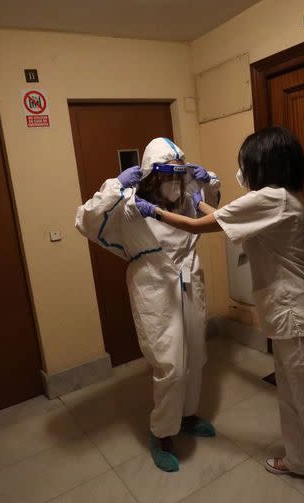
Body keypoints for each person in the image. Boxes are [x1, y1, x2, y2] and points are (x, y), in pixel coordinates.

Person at [134, 127, 304, 503]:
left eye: (246, 162)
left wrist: (153, 209)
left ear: (264, 165)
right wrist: (198, 200)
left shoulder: (272, 199)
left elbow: (200, 226)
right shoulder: (284, 199)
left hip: (300, 318)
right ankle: (299, 461)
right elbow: (225, 218)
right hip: (289, 317)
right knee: (293, 396)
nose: (241, 169)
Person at [75, 137, 221, 473]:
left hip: (189, 280)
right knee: (169, 363)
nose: (173, 183)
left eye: (178, 175)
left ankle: (188, 416)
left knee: (196, 354)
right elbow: (85, 219)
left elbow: (217, 211)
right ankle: (162, 433)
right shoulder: (128, 205)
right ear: (151, 176)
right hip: (153, 286)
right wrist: (114, 186)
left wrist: (209, 182)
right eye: (166, 175)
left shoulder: (189, 199)